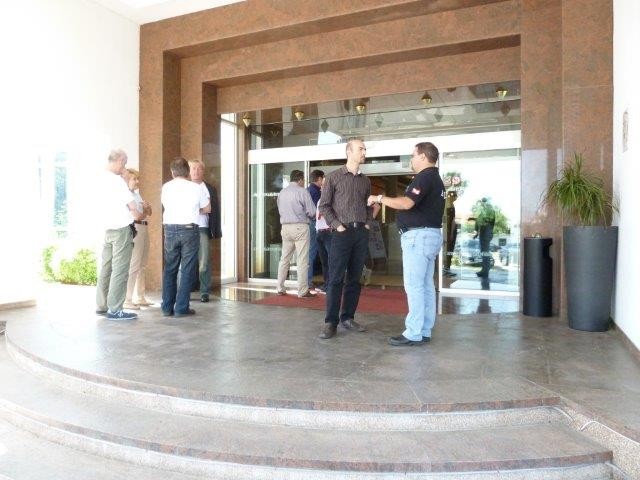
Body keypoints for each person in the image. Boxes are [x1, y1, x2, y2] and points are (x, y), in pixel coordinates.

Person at [368, 142, 445, 346]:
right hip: (429, 235)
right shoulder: (435, 179)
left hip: (418, 237)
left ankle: (413, 332)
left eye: (413, 155)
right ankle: (424, 329)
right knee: (426, 286)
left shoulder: (425, 177)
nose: (411, 159)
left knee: (414, 285)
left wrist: (379, 197)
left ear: (422, 156)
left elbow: (406, 203)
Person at [318, 138, 372, 339]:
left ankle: (347, 317)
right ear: (349, 152)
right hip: (341, 233)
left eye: (365, 149)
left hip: (360, 233)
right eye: (361, 149)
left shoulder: (366, 181)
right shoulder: (333, 177)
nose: (364, 152)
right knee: (335, 278)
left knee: (355, 278)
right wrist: (337, 225)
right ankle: (330, 322)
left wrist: (367, 223)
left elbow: (368, 206)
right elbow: (324, 206)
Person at [95, 149, 145, 321]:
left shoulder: (99, 178)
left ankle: (102, 305)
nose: (124, 167)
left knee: (106, 267)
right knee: (120, 269)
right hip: (121, 229)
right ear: (120, 160)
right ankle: (115, 309)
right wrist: (140, 212)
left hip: (107, 230)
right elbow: (133, 208)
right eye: (124, 163)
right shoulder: (116, 181)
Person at [161, 157, 210, 317]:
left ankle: (166, 307)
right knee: (187, 269)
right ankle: (181, 308)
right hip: (189, 229)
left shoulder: (166, 187)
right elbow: (207, 208)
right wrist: (195, 210)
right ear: (188, 172)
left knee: (170, 268)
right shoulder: (195, 188)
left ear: (172, 172)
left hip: (169, 229)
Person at [275, 169, 317, 298]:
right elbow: (312, 212)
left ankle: (280, 287)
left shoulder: (282, 193)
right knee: (302, 259)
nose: (304, 182)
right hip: (300, 227)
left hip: (285, 228)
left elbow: (279, 209)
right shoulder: (302, 192)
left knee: (284, 259)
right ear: (300, 179)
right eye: (303, 180)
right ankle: (302, 290)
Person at [189, 159, 222, 303]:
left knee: (204, 261)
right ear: (189, 171)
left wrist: (216, 230)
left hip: (203, 228)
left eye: (199, 168)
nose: (196, 171)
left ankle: (204, 291)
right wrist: (200, 210)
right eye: (193, 168)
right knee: (186, 262)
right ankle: (184, 291)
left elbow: (213, 210)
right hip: (186, 228)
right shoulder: (184, 187)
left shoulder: (209, 189)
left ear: (203, 171)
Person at [122, 168, 153, 310]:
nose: (137, 181)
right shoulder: (127, 196)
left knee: (142, 264)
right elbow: (137, 216)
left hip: (144, 227)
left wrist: (147, 208)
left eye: (137, 179)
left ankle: (140, 296)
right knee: (134, 264)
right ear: (127, 180)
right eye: (134, 179)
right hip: (136, 228)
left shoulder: (137, 195)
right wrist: (145, 210)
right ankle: (127, 299)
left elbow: (149, 213)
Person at [307, 170, 324, 290]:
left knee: (310, 252)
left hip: (309, 223)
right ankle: (308, 281)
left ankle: (307, 281)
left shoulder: (307, 190)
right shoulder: (316, 192)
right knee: (313, 252)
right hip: (315, 224)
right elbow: (319, 210)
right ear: (319, 179)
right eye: (323, 178)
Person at [473, 197, 495, 278]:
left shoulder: (490, 210)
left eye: (483, 202)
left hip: (487, 232)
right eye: (482, 202)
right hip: (483, 232)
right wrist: (476, 232)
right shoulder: (483, 211)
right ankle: (484, 269)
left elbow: (487, 220)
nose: (482, 203)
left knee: (485, 252)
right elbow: (478, 221)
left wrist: (481, 225)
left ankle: (485, 270)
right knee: (484, 252)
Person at [442, 190, 458, 277]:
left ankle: (446, 267)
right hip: (449, 230)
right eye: (455, 196)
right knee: (449, 248)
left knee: (447, 248)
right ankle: (446, 268)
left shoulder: (446, 205)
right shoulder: (450, 206)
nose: (456, 198)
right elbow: (452, 221)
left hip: (447, 230)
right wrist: (451, 233)